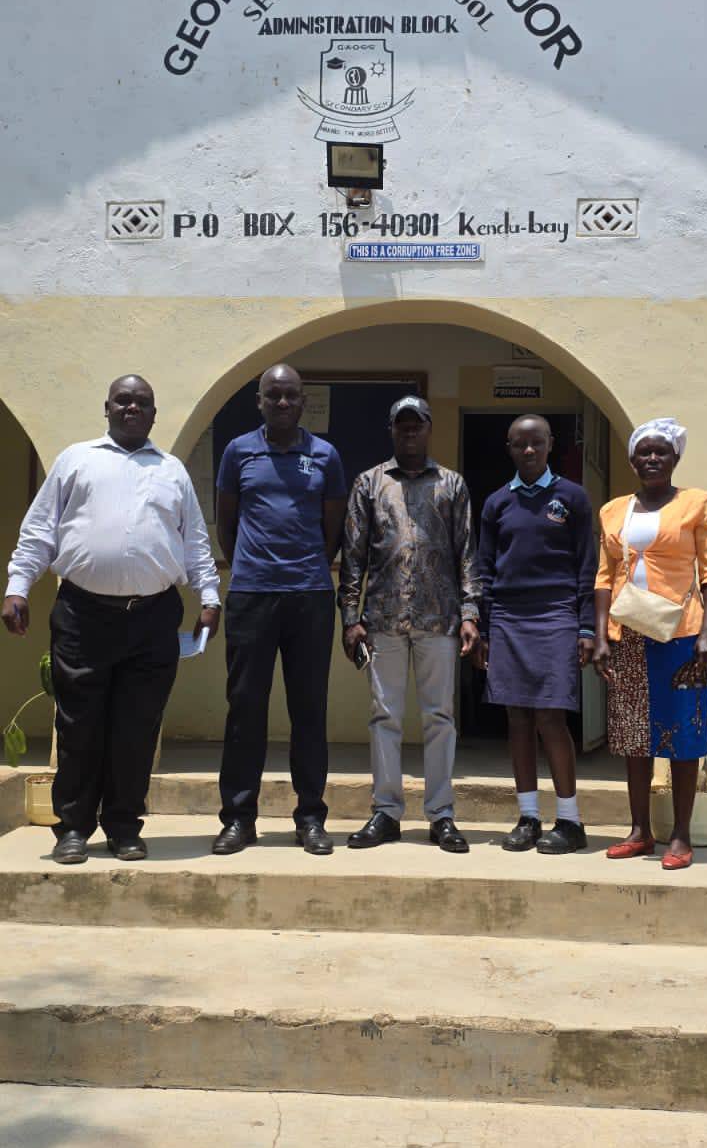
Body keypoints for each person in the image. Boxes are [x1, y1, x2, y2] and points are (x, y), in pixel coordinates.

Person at [1, 375, 220, 864]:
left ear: (154, 414)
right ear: (107, 408)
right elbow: (39, 531)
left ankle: (124, 827)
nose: (132, 408)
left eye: (142, 402)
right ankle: (72, 829)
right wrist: (18, 586)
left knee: (136, 729)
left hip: (153, 617)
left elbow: (194, 543)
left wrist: (209, 597)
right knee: (79, 726)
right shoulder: (76, 460)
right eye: (123, 401)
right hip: (83, 615)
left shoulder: (172, 471)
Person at [212, 363, 346, 856]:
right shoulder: (238, 451)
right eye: (274, 395)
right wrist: (253, 567)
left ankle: (310, 817)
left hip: (310, 596)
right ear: (260, 401)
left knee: (308, 710)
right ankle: (238, 819)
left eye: (291, 395)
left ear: (303, 401)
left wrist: (305, 567)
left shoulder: (325, 455)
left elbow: (333, 530)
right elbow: (227, 524)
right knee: (245, 709)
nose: (283, 403)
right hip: (251, 595)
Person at [339, 395, 481, 853]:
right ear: (392, 430)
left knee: (440, 717)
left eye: (416, 424)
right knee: (384, 717)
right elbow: (353, 555)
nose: (410, 432)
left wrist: (470, 613)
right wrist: (350, 618)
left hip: (439, 618)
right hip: (382, 619)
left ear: (429, 427)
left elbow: (466, 554)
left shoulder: (452, 484)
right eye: (402, 425)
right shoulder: (369, 483)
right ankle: (386, 811)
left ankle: (441, 814)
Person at [593, 418, 707, 869]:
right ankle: (639, 831)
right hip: (629, 633)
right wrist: (601, 635)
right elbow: (605, 576)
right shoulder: (613, 510)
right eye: (643, 453)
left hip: (682, 634)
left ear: (674, 458)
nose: (652, 458)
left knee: (684, 733)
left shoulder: (695, 503)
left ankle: (681, 836)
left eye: (660, 452)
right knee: (635, 735)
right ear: (632, 461)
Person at [477, 414, 596, 854]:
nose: (528, 450)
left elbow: (587, 566)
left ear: (551, 445)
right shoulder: (497, 503)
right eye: (519, 444)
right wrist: (484, 627)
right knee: (517, 718)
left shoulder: (572, 497)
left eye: (537, 443)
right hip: (508, 617)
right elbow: (484, 568)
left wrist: (586, 626)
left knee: (550, 716)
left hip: (556, 614)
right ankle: (528, 817)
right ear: (509, 448)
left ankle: (570, 821)